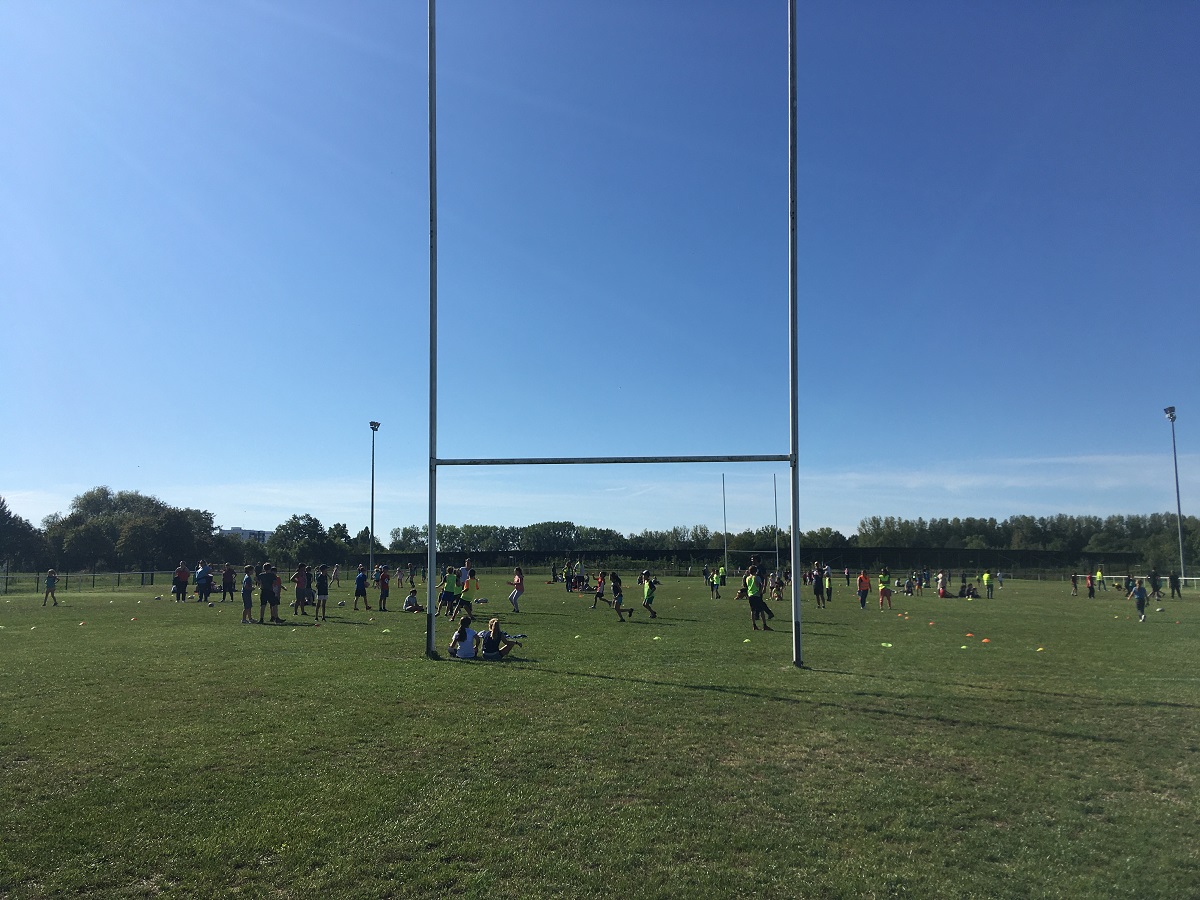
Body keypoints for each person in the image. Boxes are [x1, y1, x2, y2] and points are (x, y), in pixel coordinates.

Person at [743, 564, 772, 630]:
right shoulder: (756, 577)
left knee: (752, 611)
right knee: (761, 610)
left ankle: (754, 625)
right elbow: (760, 584)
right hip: (756, 595)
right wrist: (760, 591)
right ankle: (764, 625)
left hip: (750, 595)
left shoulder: (747, 578)